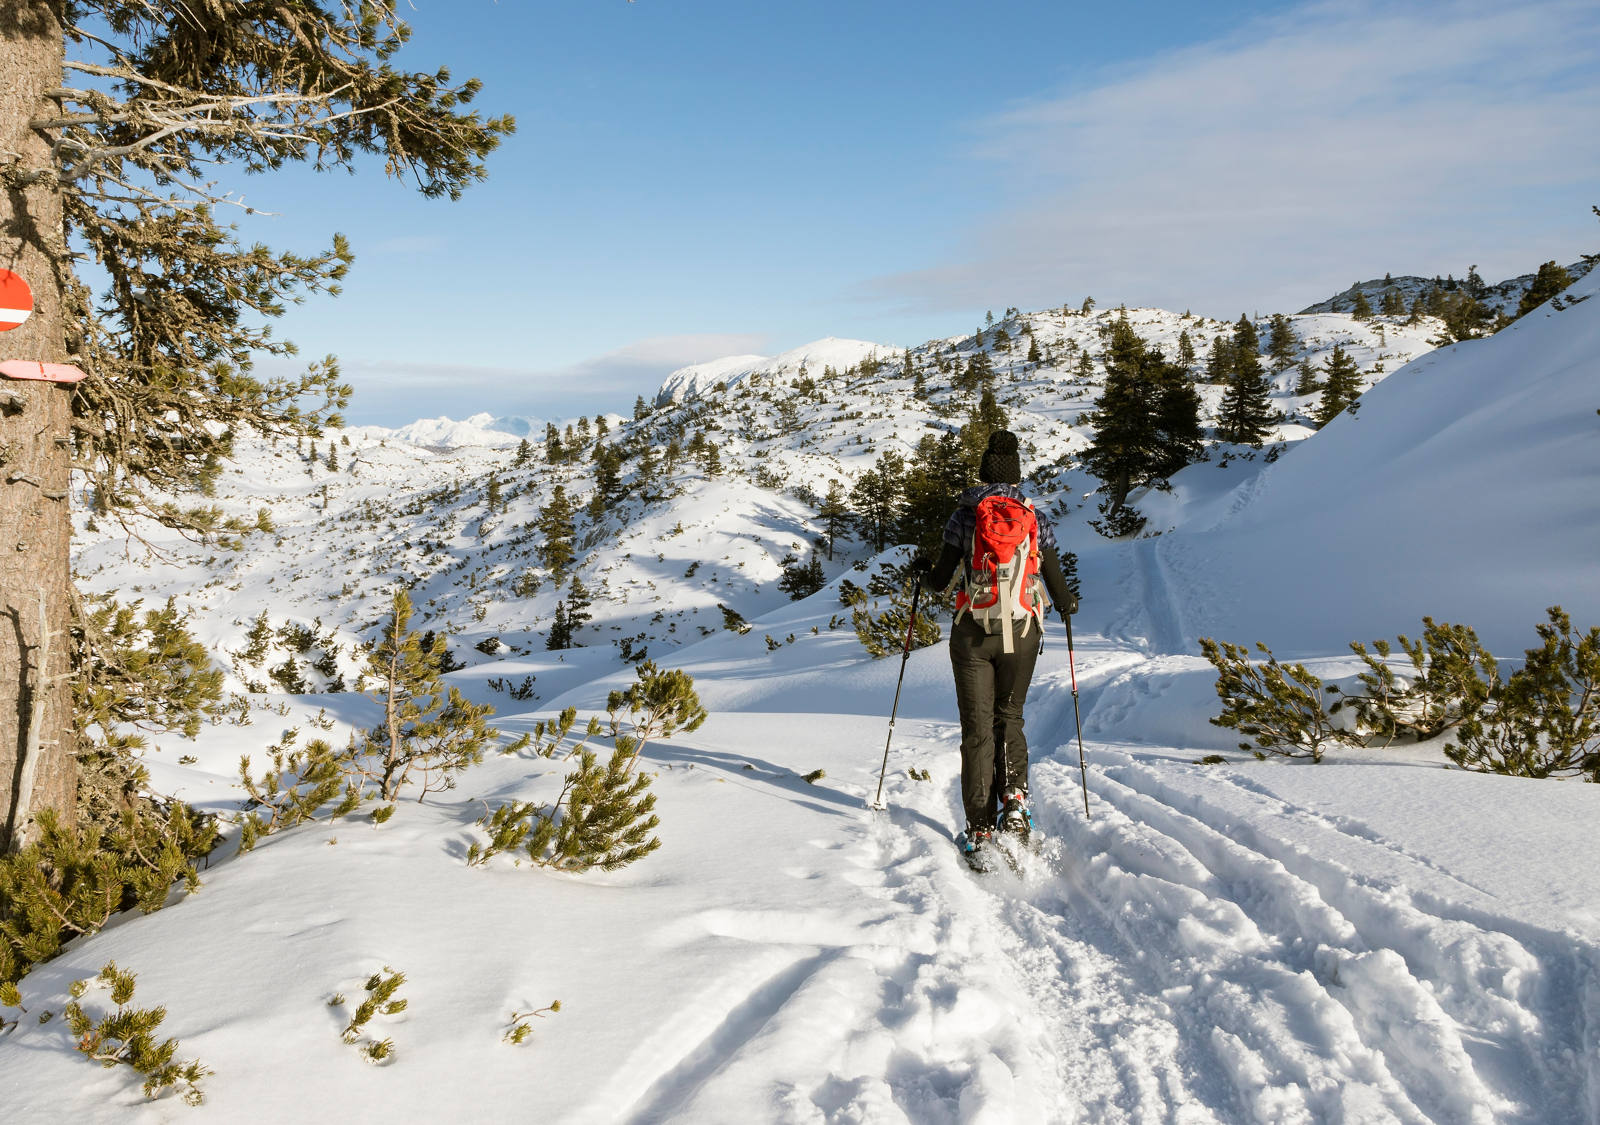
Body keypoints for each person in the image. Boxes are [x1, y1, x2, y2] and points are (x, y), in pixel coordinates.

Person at [914, 430, 1077, 865]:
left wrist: (922, 573)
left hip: (972, 634)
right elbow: (1057, 583)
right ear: (1017, 475)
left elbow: (941, 580)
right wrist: (1066, 605)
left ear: (984, 472)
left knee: (977, 728)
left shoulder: (965, 515)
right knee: (1010, 717)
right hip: (1022, 632)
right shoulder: (1033, 517)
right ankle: (1016, 805)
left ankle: (980, 829)